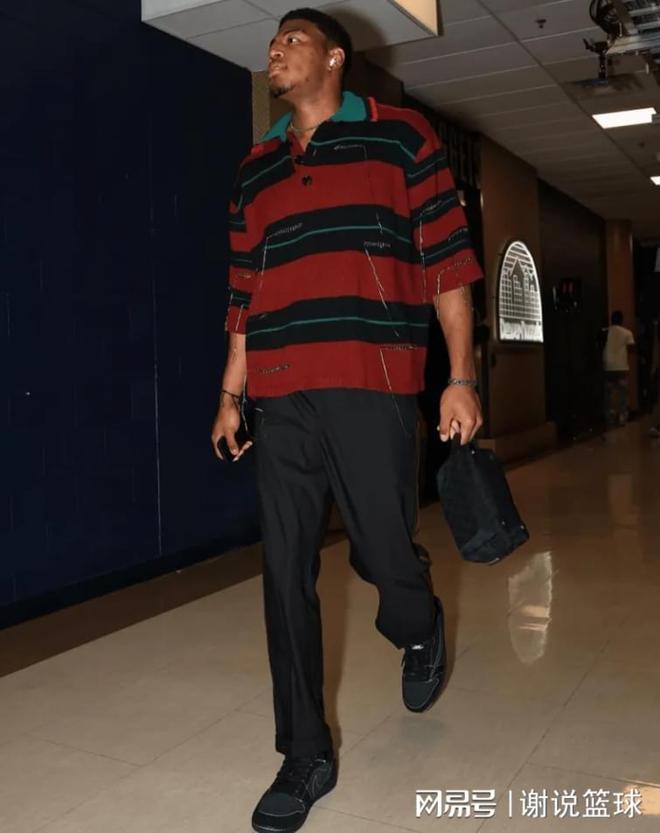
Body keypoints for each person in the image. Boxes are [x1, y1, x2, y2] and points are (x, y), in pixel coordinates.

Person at [210, 9, 484, 832]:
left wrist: (460, 377)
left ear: (335, 57)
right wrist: (230, 393)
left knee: (383, 550)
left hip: (374, 380)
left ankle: (419, 621)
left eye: (292, 39)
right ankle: (305, 753)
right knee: (285, 569)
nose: (275, 50)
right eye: (272, 42)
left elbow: (446, 265)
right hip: (282, 391)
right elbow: (243, 293)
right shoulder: (255, 168)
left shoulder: (400, 138)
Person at [602, 310, 635, 427]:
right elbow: (631, 348)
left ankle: (610, 417)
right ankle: (622, 417)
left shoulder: (605, 332)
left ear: (611, 319)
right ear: (622, 320)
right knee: (623, 394)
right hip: (621, 366)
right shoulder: (627, 333)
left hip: (608, 366)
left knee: (609, 394)